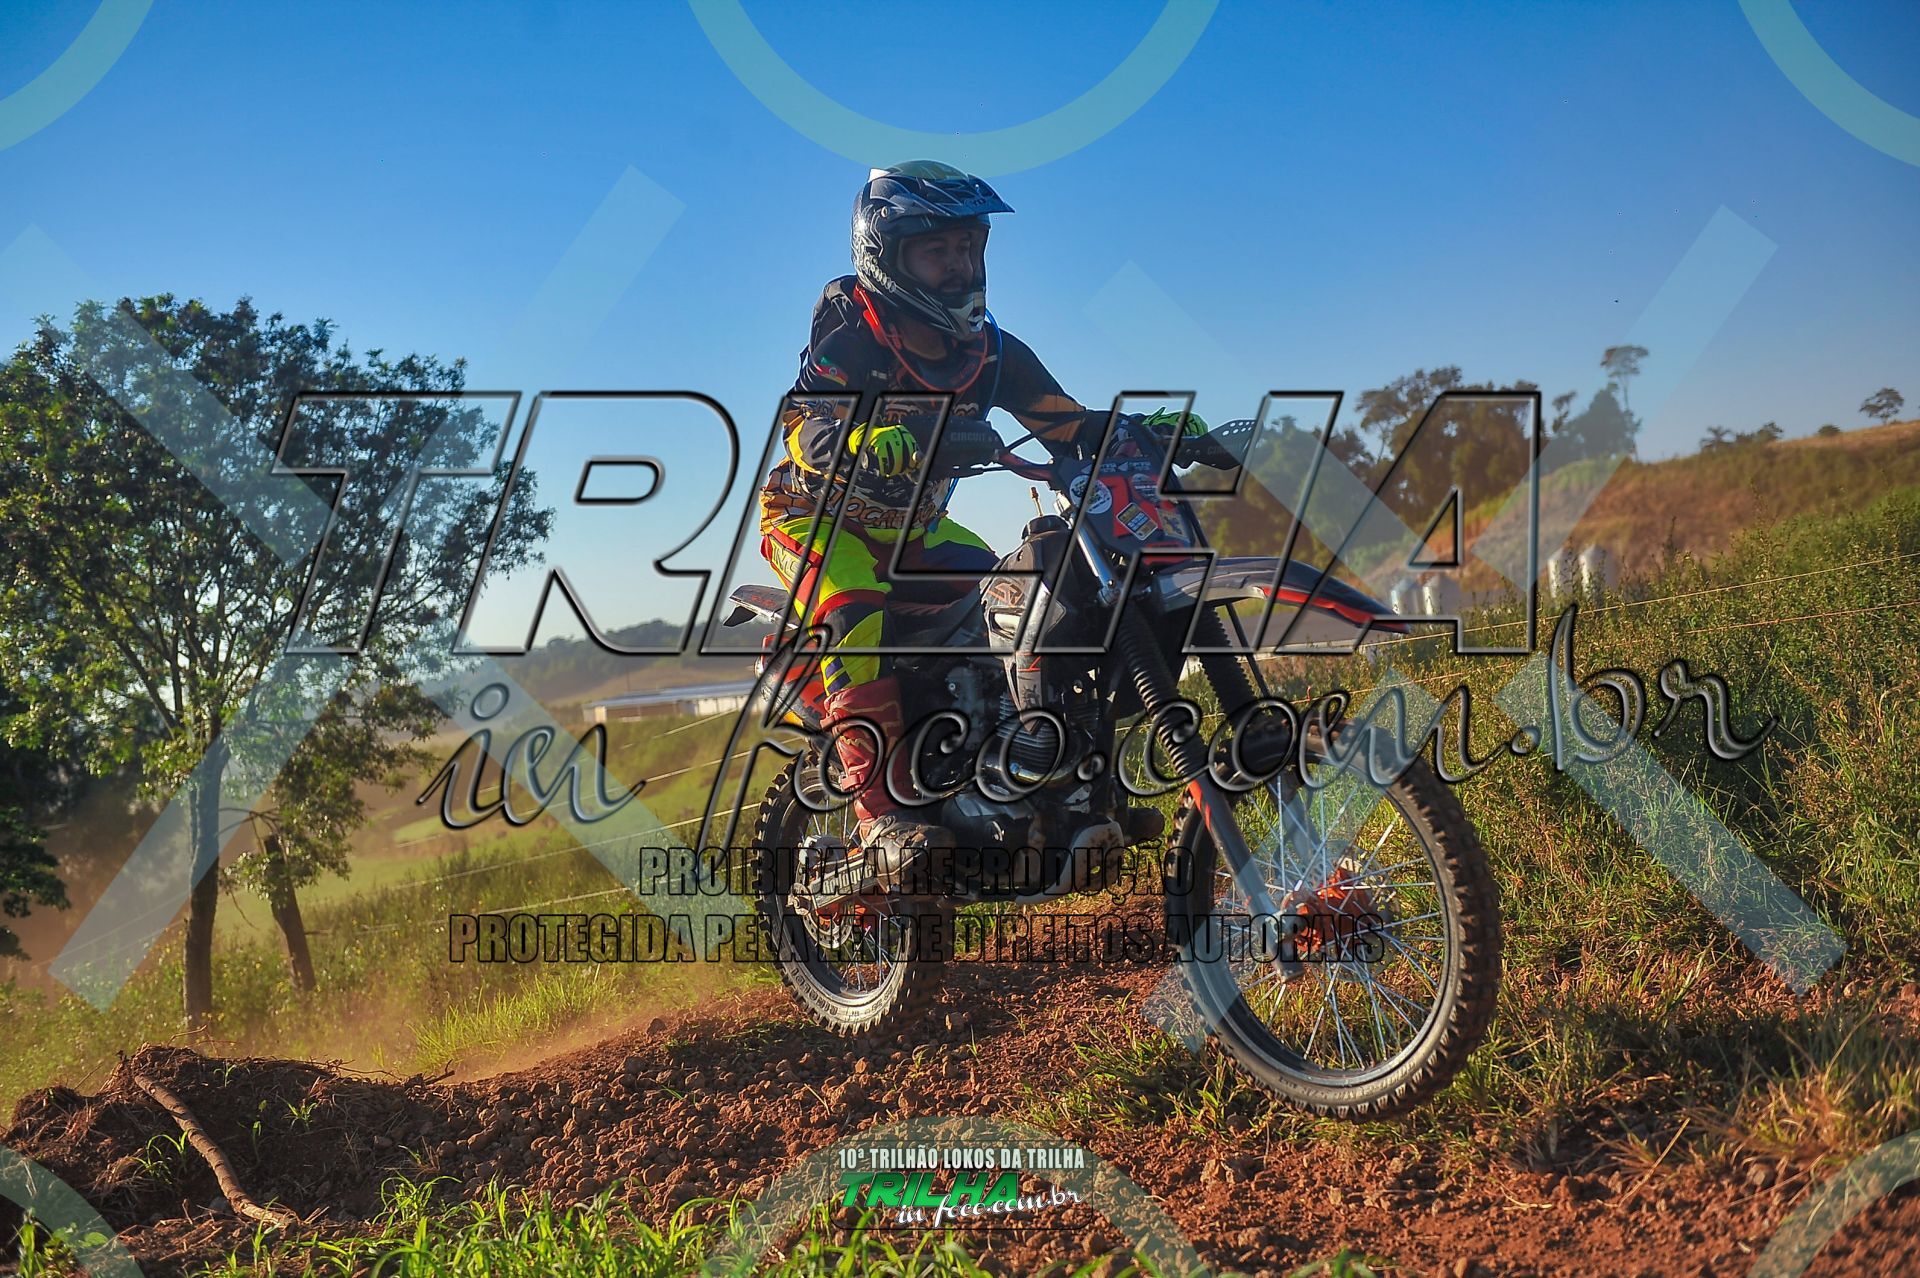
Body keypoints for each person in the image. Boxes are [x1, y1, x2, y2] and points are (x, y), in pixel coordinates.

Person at [758, 160, 1202, 887]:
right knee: (852, 608)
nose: (960, 264)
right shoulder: (851, 331)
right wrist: (864, 436)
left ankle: (1035, 780)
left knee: (1020, 608)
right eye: (937, 249)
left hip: (917, 533)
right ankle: (879, 818)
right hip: (815, 520)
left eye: (968, 245)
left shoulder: (992, 353)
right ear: (886, 256)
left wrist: (1148, 431)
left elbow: (1064, 424)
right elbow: (806, 424)